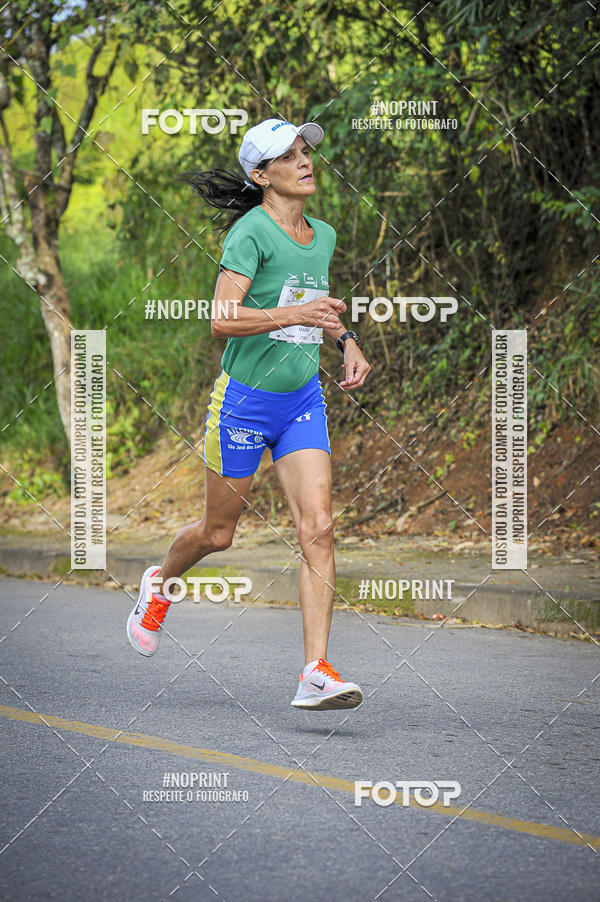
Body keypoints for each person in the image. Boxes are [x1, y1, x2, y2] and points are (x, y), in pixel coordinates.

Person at [127, 118, 371, 710]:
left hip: (301, 402)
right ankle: (159, 585)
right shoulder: (250, 234)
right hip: (241, 404)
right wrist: (301, 315)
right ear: (262, 176)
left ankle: (315, 671)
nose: (305, 160)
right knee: (219, 533)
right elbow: (222, 320)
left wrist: (348, 341)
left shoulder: (324, 235)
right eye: (288, 156)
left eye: (305, 150)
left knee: (319, 528)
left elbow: (312, 307)